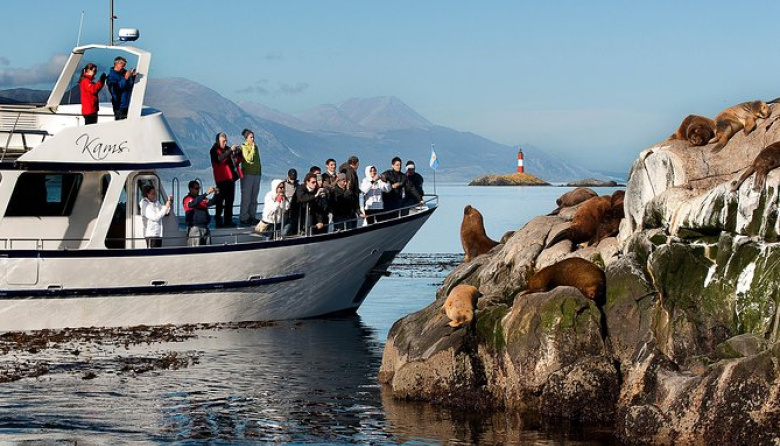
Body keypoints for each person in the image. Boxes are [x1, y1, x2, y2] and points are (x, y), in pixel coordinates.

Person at [210, 132, 242, 227]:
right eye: (223, 141)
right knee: (220, 201)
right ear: (218, 141)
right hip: (221, 179)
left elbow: (235, 161)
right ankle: (218, 220)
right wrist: (229, 152)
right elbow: (219, 160)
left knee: (230, 201)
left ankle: (228, 220)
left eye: (226, 141)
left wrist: (238, 153)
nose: (225, 143)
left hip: (230, 179)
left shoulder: (228, 149)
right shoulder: (213, 150)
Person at [183, 180, 217, 246]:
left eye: (199, 188)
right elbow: (192, 204)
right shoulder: (187, 198)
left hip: (205, 227)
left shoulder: (201, 198)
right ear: (191, 189)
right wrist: (206, 193)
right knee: (195, 250)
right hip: (195, 228)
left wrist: (216, 194)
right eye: (196, 188)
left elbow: (211, 202)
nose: (198, 190)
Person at [239, 128, 262, 225]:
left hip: (256, 174)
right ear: (246, 138)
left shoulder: (256, 147)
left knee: (254, 197)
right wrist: (252, 148)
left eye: (253, 137)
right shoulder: (244, 147)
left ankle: (252, 215)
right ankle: (244, 216)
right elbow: (248, 158)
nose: (253, 139)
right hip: (248, 174)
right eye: (251, 137)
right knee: (246, 197)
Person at [106, 56, 135, 120]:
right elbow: (116, 88)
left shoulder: (122, 73)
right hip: (119, 105)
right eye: (122, 64)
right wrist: (125, 78)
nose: (124, 66)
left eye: (124, 64)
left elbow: (129, 85)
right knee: (120, 122)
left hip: (126, 103)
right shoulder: (112, 76)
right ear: (117, 64)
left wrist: (132, 77)